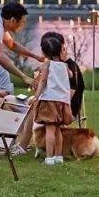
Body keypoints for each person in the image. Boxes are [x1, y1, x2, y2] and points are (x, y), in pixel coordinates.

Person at [33, 31, 74, 165]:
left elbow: (43, 81)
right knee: (58, 130)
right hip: (62, 101)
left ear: (45, 53)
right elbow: (71, 76)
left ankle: (49, 158)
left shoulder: (47, 65)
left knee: (49, 130)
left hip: (49, 99)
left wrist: (37, 96)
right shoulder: (65, 65)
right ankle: (58, 156)